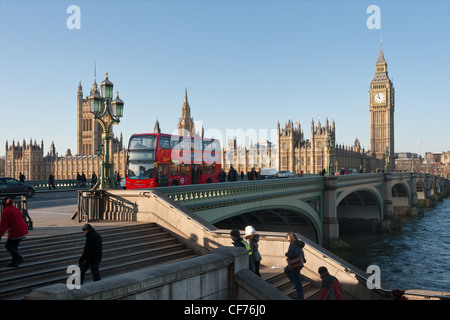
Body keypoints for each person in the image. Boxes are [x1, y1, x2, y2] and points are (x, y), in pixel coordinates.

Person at [0, 198, 29, 267]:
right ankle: (14, 262)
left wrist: (0, 234)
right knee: (14, 246)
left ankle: (19, 258)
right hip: (23, 230)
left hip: (16, 231)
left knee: (8, 245)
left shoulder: (6, 211)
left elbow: (3, 224)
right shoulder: (15, 209)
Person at [284, 231, 306, 299]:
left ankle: (300, 294)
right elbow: (300, 252)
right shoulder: (297, 243)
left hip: (295, 263)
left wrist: (287, 254)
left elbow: (294, 254)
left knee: (295, 277)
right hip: (298, 263)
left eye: (288, 236)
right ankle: (297, 288)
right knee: (295, 277)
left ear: (290, 237)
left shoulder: (293, 244)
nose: (287, 238)